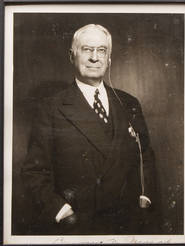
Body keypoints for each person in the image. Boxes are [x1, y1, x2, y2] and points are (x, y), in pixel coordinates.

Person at [21, 24, 159, 235]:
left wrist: (145, 196)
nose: (95, 57)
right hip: (78, 226)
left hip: (128, 225)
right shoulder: (51, 108)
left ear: (109, 59)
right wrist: (61, 211)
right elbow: (34, 172)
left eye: (102, 50)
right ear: (72, 56)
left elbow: (145, 157)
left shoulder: (129, 102)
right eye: (87, 49)